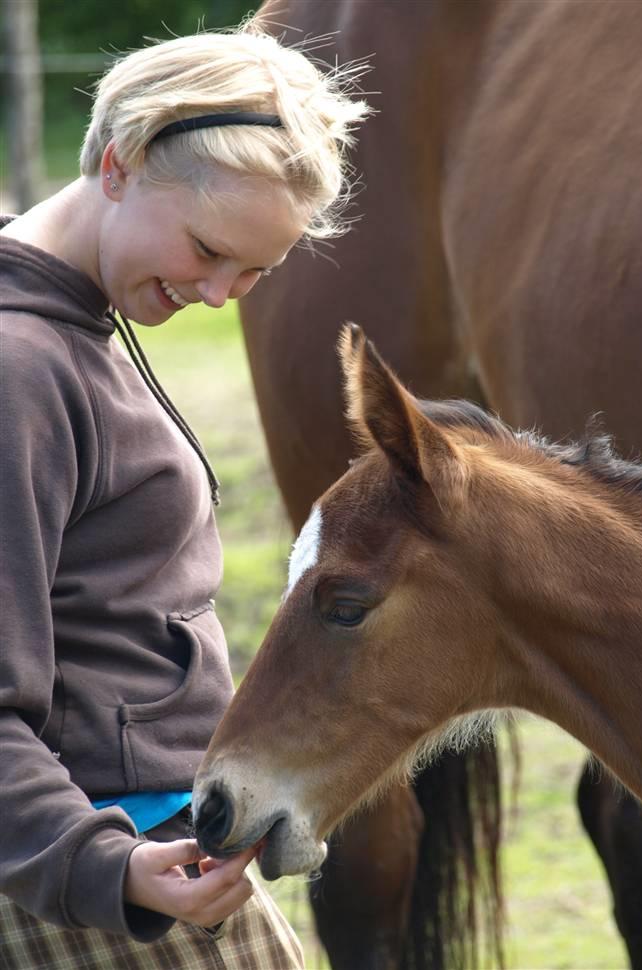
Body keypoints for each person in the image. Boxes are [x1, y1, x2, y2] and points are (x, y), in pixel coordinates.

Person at [0, 18, 369, 970]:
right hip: (89, 874)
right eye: (207, 249)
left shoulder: (76, 327)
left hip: (150, 854)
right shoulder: (20, 369)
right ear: (118, 164)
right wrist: (108, 868)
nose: (217, 294)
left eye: (256, 272)